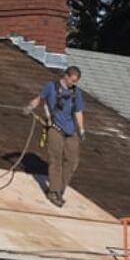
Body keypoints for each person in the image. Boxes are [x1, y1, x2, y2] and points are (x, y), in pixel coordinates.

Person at [24, 65, 85, 207]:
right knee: (55, 160)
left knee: (72, 162)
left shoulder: (76, 93)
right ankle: (53, 192)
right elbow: (39, 99)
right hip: (55, 129)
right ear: (66, 76)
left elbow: (78, 112)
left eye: (76, 82)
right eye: (72, 80)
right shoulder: (51, 87)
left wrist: (81, 130)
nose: (74, 84)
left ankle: (60, 190)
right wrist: (29, 107)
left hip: (70, 131)